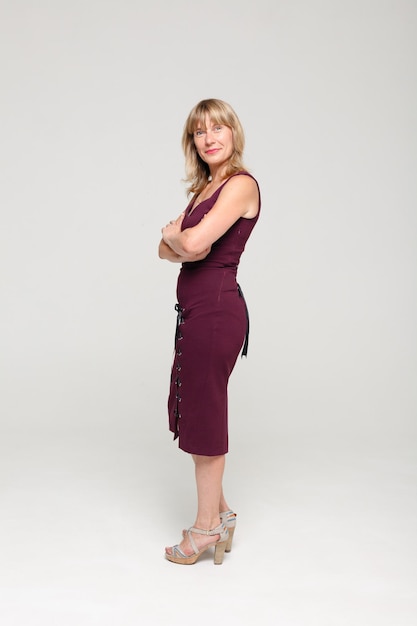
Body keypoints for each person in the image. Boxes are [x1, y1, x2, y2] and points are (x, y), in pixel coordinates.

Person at [159, 98, 261, 565]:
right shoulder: (203, 189)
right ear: (193, 142)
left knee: (205, 416)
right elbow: (164, 250)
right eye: (201, 132)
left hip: (218, 312)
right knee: (199, 408)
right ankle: (223, 515)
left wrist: (181, 239)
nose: (210, 138)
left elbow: (189, 243)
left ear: (233, 134)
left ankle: (204, 531)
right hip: (197, 312)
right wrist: (181, 244)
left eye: (218, 128)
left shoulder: (239, 185)